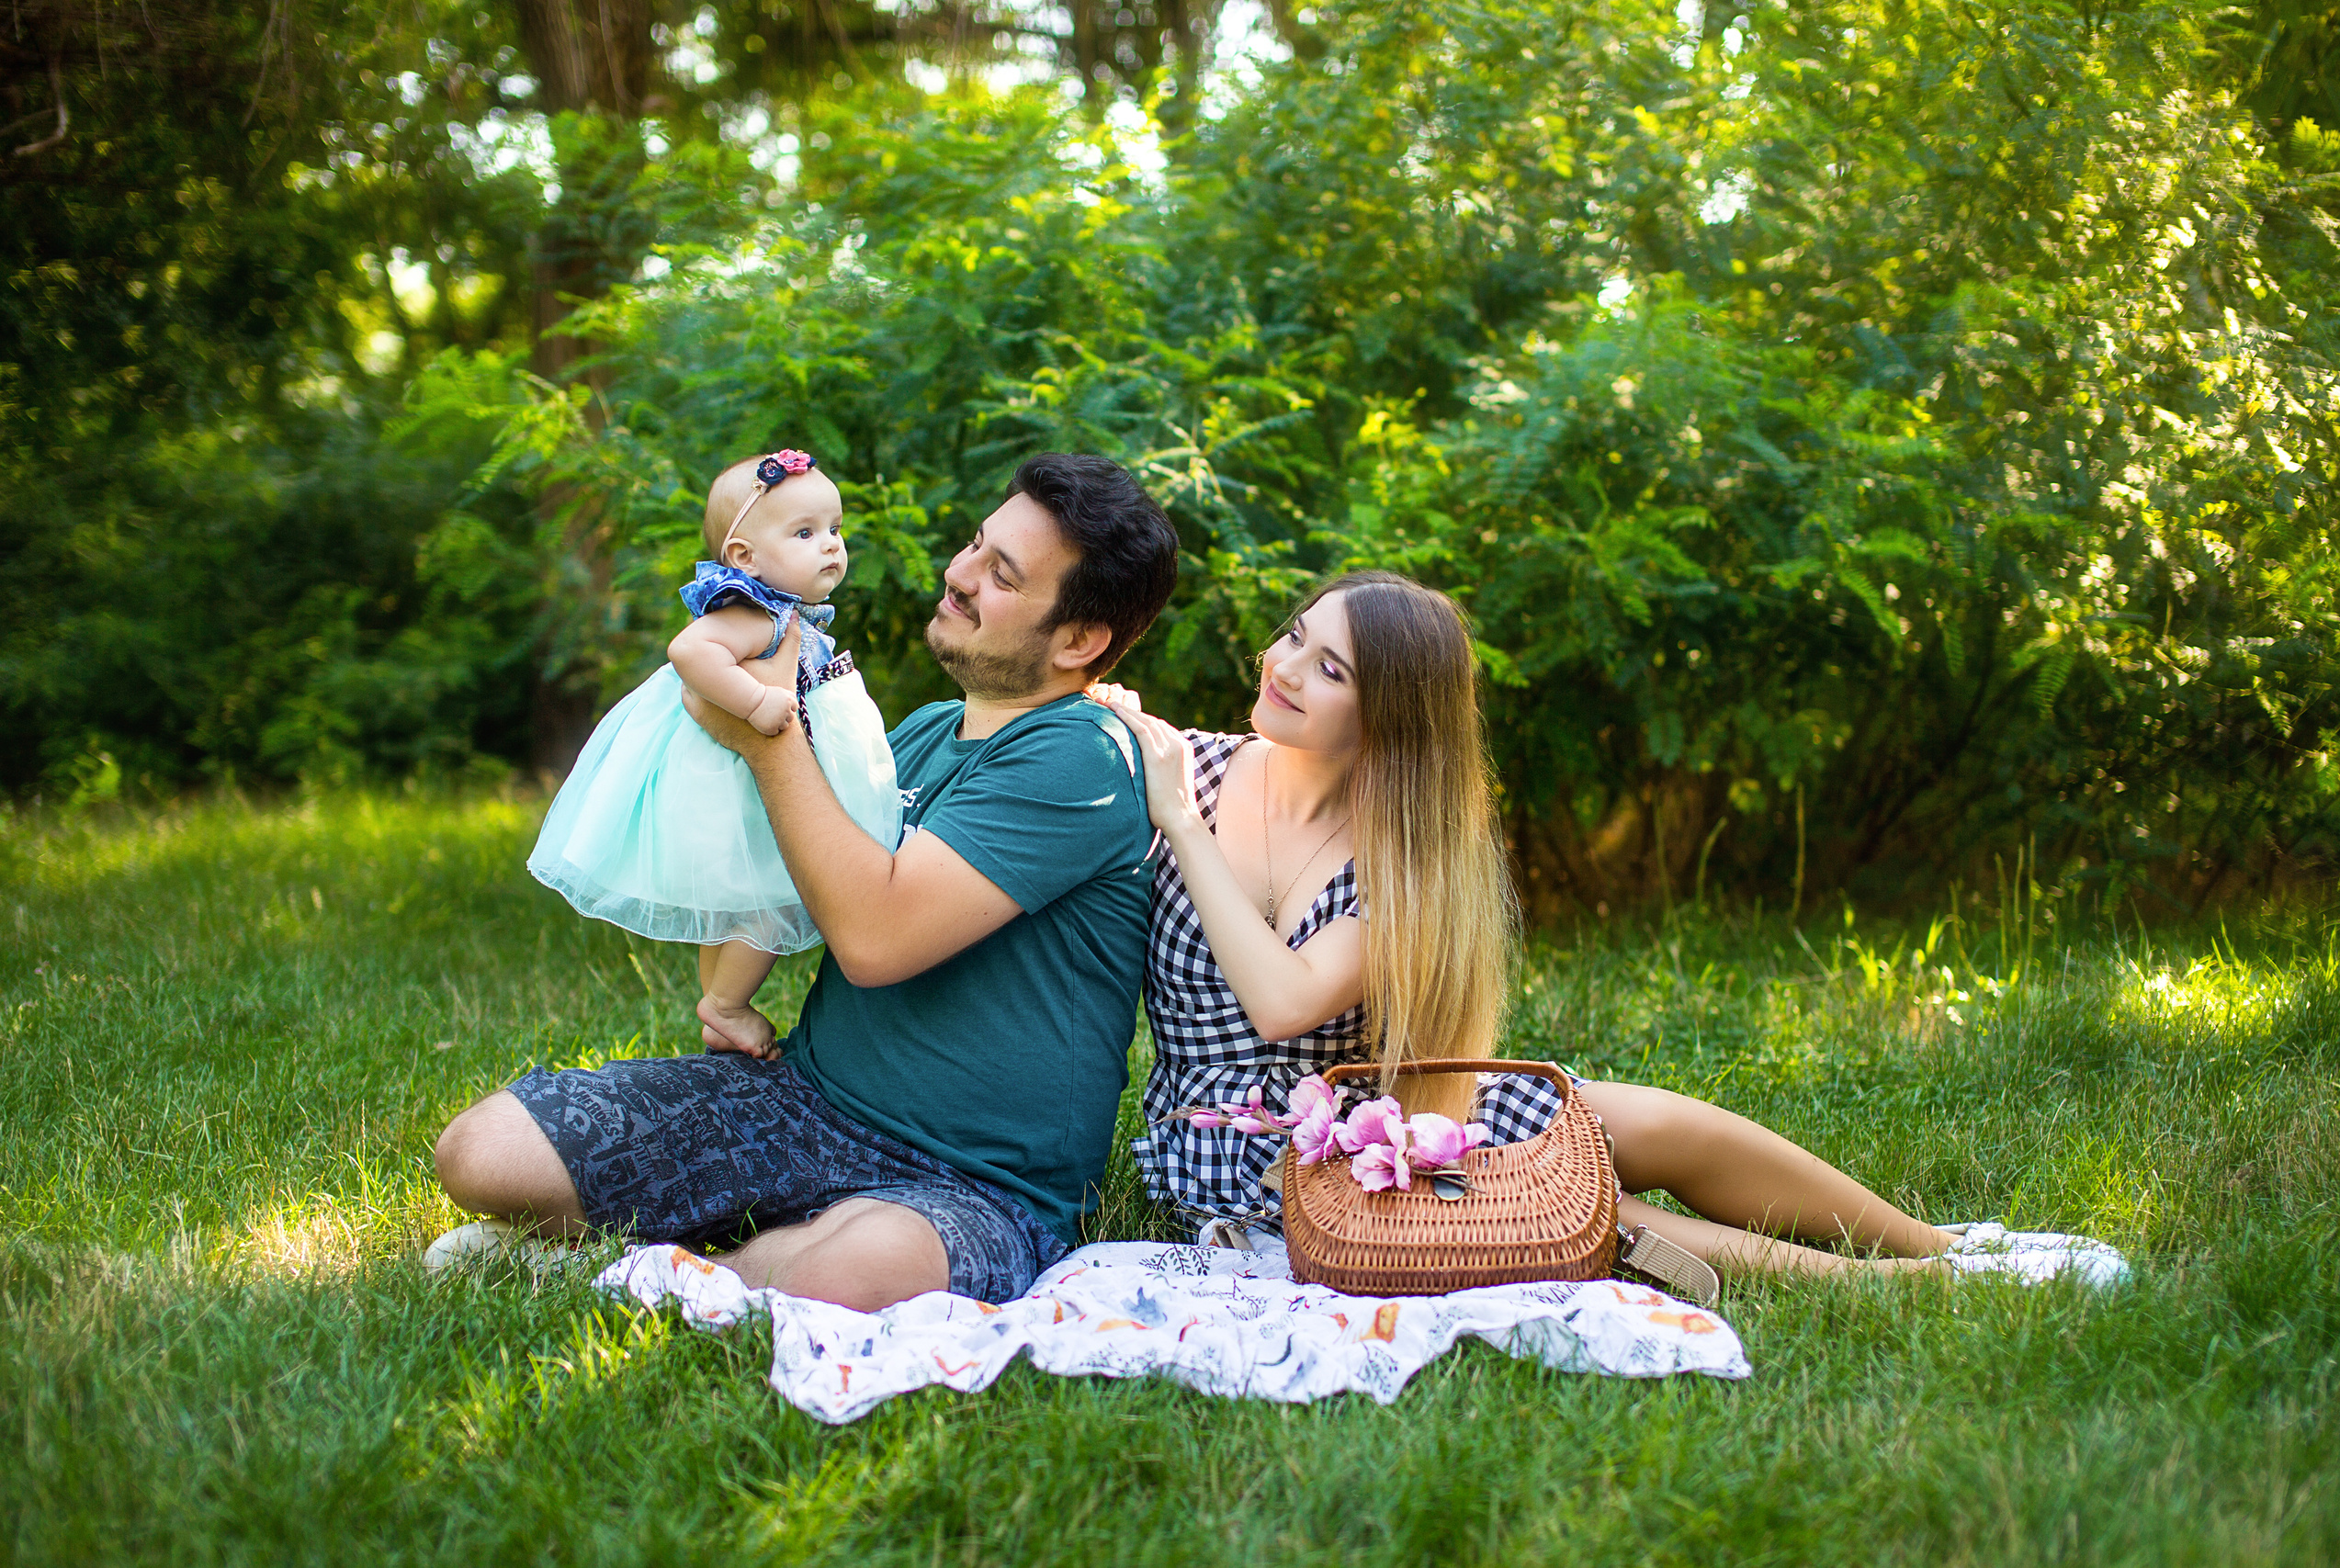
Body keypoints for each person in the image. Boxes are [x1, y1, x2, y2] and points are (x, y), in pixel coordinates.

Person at [1101, 570, 2052, 1284]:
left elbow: (1291, 996)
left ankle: (1952, 1246)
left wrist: (1178, 820)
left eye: (1329, 667)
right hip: (1243, 1143)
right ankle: (1889, 1285)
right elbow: (1267, 1015)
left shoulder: (1401, 854)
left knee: (1651, 1122)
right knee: (1599, 1207)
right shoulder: (1193, 773)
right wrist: (1155, 784)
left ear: (1391, 716)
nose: (1284, 668)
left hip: (1382, 1105)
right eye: (1294, 637)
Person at [431, 453, 1180, 1310]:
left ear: (1081, 641)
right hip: (805, 1102)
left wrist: (767, 733)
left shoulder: (1079, 756)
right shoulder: (931, 730)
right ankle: (741, 1251)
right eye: (976, 545)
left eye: (1000, 574)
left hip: (978, 1180)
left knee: (849, 1275)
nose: (958, 574)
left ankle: (659, 1262)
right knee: (483, 1150)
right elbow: (793, 867)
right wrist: (729, 982)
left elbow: (874, 937)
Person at [526, 448, 900, 1061]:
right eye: (805, 532)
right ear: (743, 558)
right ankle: (725, 1004)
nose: (831, 545)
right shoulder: (758, 615)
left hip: (746, 781)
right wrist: (755, 702)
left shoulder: (782, 613)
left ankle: (719, 1010)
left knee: (736, 895)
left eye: (835, 529)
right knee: (780, 892)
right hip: (740, 776)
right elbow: (689, 651)